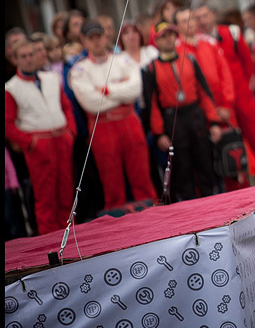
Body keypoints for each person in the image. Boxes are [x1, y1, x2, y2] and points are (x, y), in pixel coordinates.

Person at [68, 20, 156, 210]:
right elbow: (91, 103)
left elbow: (135, 89)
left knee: (141, 172)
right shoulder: (79, 70)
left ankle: (151, 210)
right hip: (102, 125)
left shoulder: (123, 60)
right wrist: (120, 89)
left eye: (99, 37)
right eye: (91, 38)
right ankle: (117, 216)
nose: (96, 41)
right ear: (84, 40)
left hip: (129, 119)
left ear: (105, 37)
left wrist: (104, 90)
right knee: (111, 178)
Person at [194, 3, 255, 183]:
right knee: (230, 147)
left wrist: (243, 87)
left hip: (241, 95)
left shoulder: (231, 33)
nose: (202, 21)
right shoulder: (198, 43)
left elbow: (247, 62)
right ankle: (242, 189)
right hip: (221, 101)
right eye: (198, 18)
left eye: (205, 16)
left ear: (213, 15)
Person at [142, 21, 223, 202]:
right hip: (173, 120)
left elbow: (204, 92)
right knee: (182, 169)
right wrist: (159, 133)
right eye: (163, 36)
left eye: (171, 35)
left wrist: (214, 122)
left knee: (205, 163)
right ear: (156, 41)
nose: (168, 39)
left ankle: (213, 201)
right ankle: (189, 207)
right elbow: (152, 104)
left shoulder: (190, 59)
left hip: (195, 116)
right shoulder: (151, 68)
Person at [5, 38, 76, 234]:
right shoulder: (11, 88)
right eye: (24, 56)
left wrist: (70, 132)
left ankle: (71, 234)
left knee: (66, 191)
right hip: (39, 144)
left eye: (31, 54)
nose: (29, 59)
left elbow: (66, 106)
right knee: (46, 196)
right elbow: (8, 124)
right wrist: (30, 143)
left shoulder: (51, 78)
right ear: (15, 59)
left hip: (61, 138)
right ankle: (51, 238)